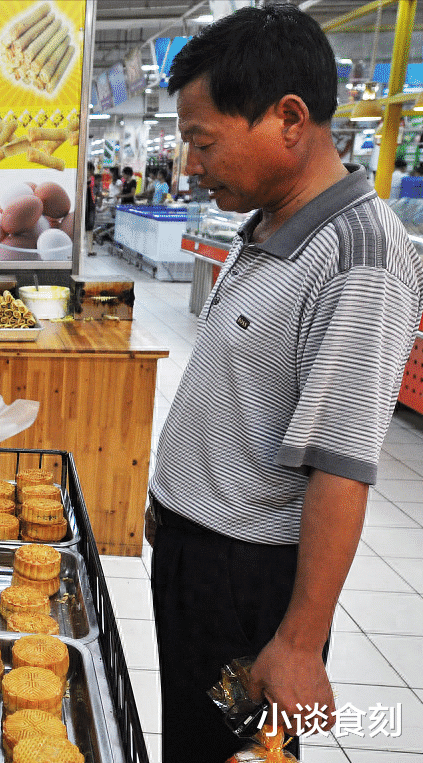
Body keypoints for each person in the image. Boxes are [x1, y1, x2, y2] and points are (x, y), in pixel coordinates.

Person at [147, 6, 423, 763]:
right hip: (198, 557)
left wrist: (299, 642)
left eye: (203, 142)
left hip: (248, 587)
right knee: (193, 743)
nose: (190, 164)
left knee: (229, 752)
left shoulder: (357, 258)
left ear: (289, 118)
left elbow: (341, 466)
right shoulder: (270, 225)